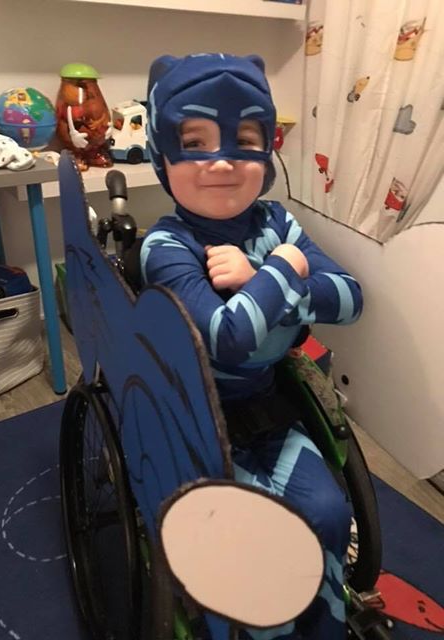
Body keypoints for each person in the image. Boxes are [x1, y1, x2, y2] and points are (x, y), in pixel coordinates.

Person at [141, 53, 363, 639]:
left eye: (243, 139)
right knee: (255, 542)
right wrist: (286, 269)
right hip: (191, 417)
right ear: (164, 155)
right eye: (195, 140)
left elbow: (350, 297)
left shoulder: (276, 224)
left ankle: (323, 623)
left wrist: (262, 277)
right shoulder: (166, 244)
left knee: (329, 514)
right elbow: (229, 339)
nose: (221, 161)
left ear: (266, 151)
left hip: (266, 411)